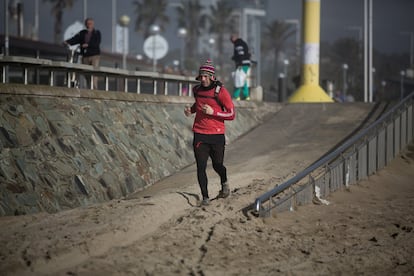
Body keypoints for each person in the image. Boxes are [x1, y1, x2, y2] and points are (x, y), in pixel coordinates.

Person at [184, 59, 235, 206]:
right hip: (200, 133)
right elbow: (198, 105)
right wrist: (191, 110)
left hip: (217, 134)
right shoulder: (197, 90)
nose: (203, 79)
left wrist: (214, 112)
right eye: (201, 76)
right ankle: (205, 198)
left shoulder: (221, 92)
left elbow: (231, 114)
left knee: (217, 165)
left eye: (206, 76)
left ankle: (224, 183)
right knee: (201, 167)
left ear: (212, 77)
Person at [64, 18, 101, 89]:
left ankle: (95, 89)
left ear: (93, 24)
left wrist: (88, 45)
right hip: (85, 56)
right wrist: (67, 42)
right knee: (86, 73)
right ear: (85, 24)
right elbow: (75, 39)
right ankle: (89, 87)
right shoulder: (82, 33)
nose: (89, 25)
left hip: (94, 56)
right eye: (88, 23)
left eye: (90, 23)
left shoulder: (97, 33)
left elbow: (97, 43)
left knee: (94, 73)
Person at [230, 34, 251, 101]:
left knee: (239, 79)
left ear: (234, 38)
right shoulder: (242, 42)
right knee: (242, 79)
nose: (231, 41)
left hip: (242, 64)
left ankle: (236, 96)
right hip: (245, 63)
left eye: (231, 39)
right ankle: (246, 96)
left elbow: (241, 53)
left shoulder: (238, 43)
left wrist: (239, 63)